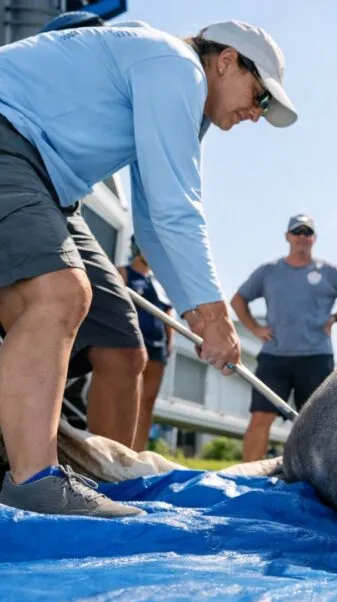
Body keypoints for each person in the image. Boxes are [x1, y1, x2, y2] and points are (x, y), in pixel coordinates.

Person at [0, 19, 299, 518]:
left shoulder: (179, 94)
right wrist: (215, 315)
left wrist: (198, 314)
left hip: (52, 191)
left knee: (121, 346)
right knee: (58, 293)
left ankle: (104, 485)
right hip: (9, 142)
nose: (257, 113)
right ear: (226, 61)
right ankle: (34, 481)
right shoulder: (174, 66)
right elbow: (174, 208)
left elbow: (154, 226)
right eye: (260, 96)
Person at [231, 214, 337, 462]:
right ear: (287, 236)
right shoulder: (268, 271)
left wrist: (335, 318)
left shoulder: (329, 272)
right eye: (297, 232)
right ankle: (247, 477)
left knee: (317, 422)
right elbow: (238, 300)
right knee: (261, 416)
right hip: (275, 356)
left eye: (307, 232)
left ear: (314, 238)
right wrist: (255, 328)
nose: (302, 237)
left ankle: (317, 477)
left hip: (316, 356)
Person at [119, 236, 174, 452]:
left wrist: (169, 343)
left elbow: (168, 315)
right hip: (130, 343)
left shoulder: (160, 283)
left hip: (157, 347)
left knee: (147, 401)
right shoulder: (123, 273)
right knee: (125, 396)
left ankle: (138, 452)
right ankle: (119, 448)